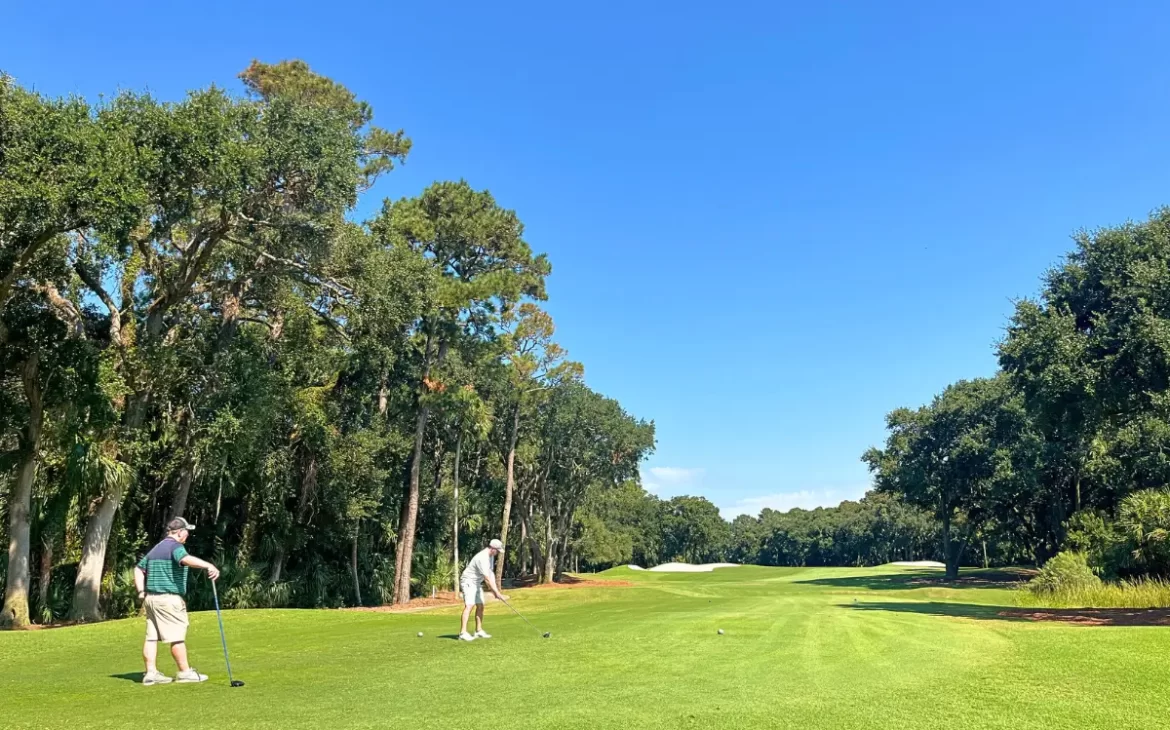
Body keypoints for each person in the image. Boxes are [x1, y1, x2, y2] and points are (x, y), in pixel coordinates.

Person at [133, 517, 220, 685]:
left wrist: (141, 591)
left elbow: (138, 569)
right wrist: (208, 565)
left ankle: (151, 673)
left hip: (151, 599)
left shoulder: (156, 549)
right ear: (179, 532)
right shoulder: (176, 547)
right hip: (169, 599)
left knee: (151, 637)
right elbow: (184, 559)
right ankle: (185, 672)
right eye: (186, 532)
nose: (187, 535)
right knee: (177, 637)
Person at [458, 538, 508, 642]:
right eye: (497, 551)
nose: (498, 553)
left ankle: (478, 631)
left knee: (480, 605)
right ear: (492, 549)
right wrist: (495, 592)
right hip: (468, 581)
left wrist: (497, 591)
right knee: (469, 605)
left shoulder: (490, 556)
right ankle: (463, 633)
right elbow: (487, 579)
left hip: (476, 582)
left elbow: (490, 574)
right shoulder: (482, 558)